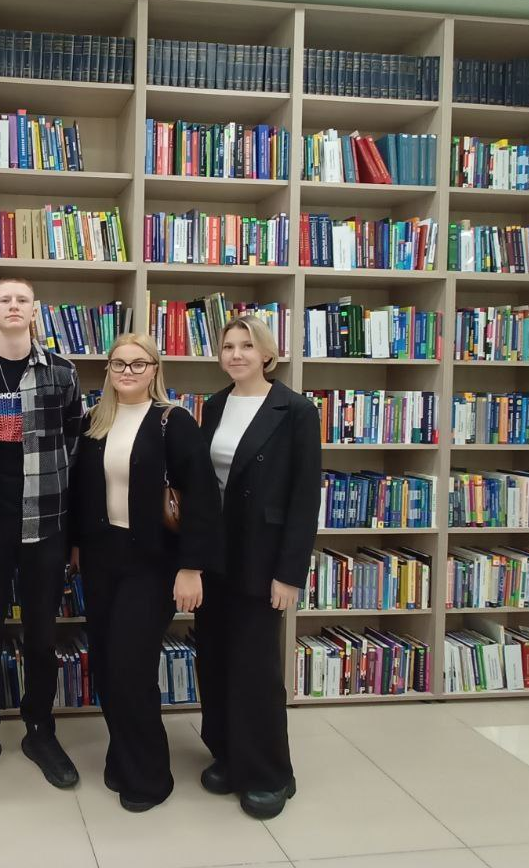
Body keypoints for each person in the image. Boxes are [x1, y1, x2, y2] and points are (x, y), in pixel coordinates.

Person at [70, 333, 218, 812]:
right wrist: (77, 544)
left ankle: (150, 777)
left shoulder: (174, 421)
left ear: (155, 369)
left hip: (153, 562)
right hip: (101, 558)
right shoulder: (94, 421)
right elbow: (82, 490)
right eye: (119, 363)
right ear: (108, 370)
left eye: (138, 363)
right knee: (107, 664)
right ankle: (122, 754)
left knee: (131, 667)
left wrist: (191, 567)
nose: (128, 371)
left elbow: (201, 499)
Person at [0, 277, 83, 795]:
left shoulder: (62, 374)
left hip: (45, 524)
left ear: (34, 310)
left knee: (42, 636)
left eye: (21, 300)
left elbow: (74, 443)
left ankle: (40, 731)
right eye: (3, 299)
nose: (12, 306)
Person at [195, 315, 320, 820]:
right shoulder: (214, 405)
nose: (236, 354)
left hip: (262, 557)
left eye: (247, 345)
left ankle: (270, 773)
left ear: (267, 353)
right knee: (216, 659)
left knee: (256, 668)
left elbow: (305, 498)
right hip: (216, 555)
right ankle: (228, 754)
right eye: (228, 346)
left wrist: (290, 574)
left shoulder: (296, 410)